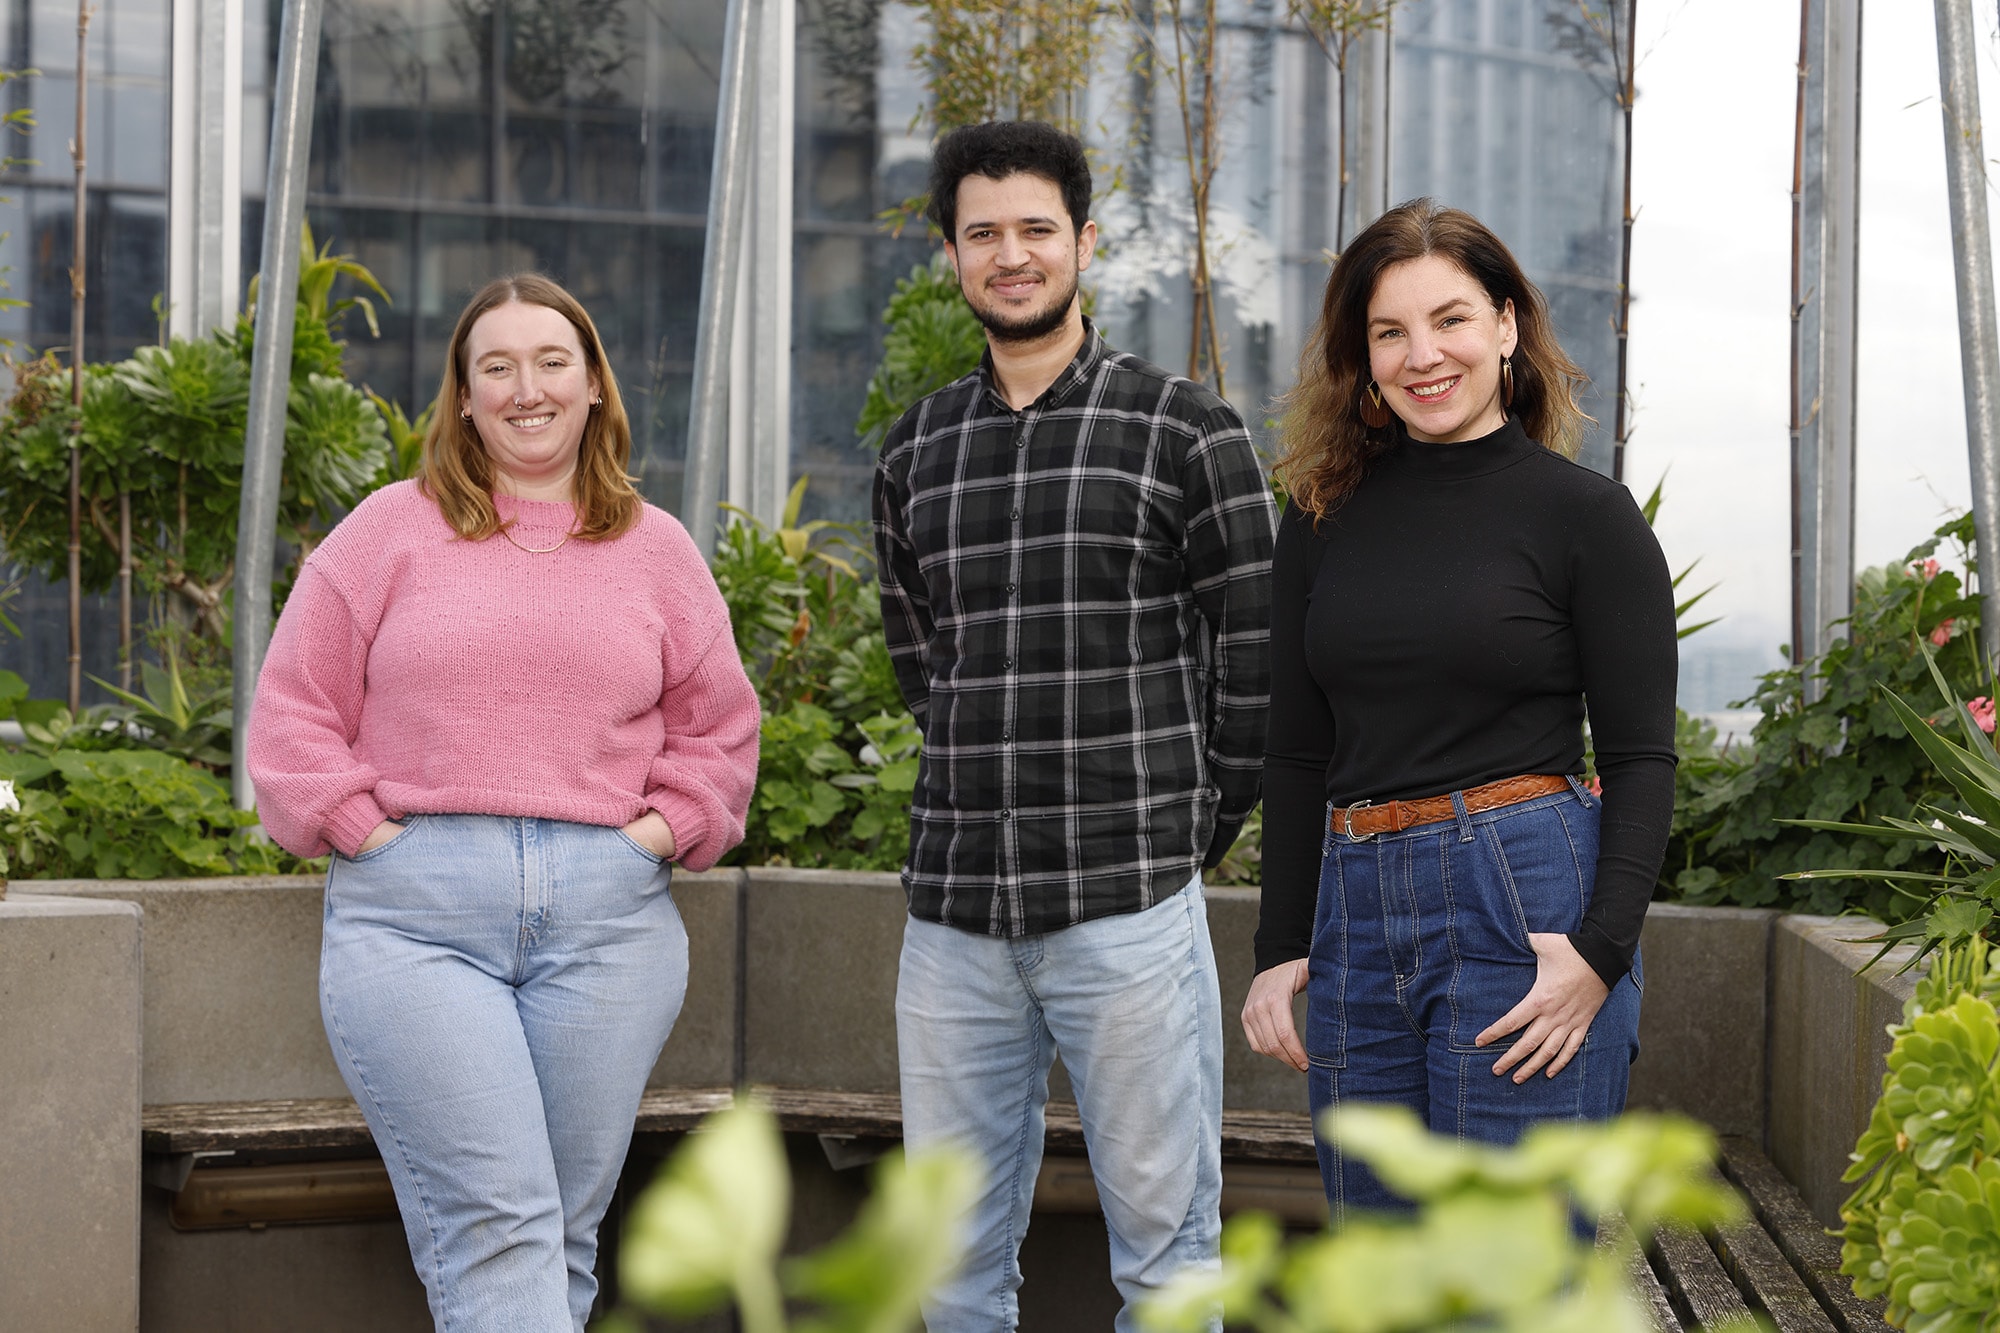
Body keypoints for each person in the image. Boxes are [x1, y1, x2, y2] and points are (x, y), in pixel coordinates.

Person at [246, 273, 760, 1331]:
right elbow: (293, 710)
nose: (527, 388)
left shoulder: (656, 549)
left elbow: (719, 728)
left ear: (592, 386)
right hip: (418, 919)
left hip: (608, 924)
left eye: (550, 362)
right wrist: (366, 832)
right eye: (498, 367)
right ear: (465, 398)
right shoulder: (388, 532)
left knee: (558, 1240)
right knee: (504, 1227)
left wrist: (656, 835)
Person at [872, 120, 1276, 1333]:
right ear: (951, 254)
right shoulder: (915, 451)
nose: (1011, 254)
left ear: (1084, 243)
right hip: (953, 922)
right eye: (982, 233)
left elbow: (1255, 659)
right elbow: (920, 665)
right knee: (947, 1270)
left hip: (1127, 911)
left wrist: (1182, 836)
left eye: (1034, 229)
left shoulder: (1185, 430)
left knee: (1165, 1258)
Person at [1240, 199, 1677, 1218]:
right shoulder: (1317, 518)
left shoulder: (1584, 517)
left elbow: (1642, 757)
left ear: (1505, 329)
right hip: (1355, 913)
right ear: (1362, 357)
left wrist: (1600, 950)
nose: (1420, 354)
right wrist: (1278, 945)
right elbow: (1297, 751)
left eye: (1448, 320)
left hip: (1523, 903)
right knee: (1380, 1269)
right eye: (1388, 332)